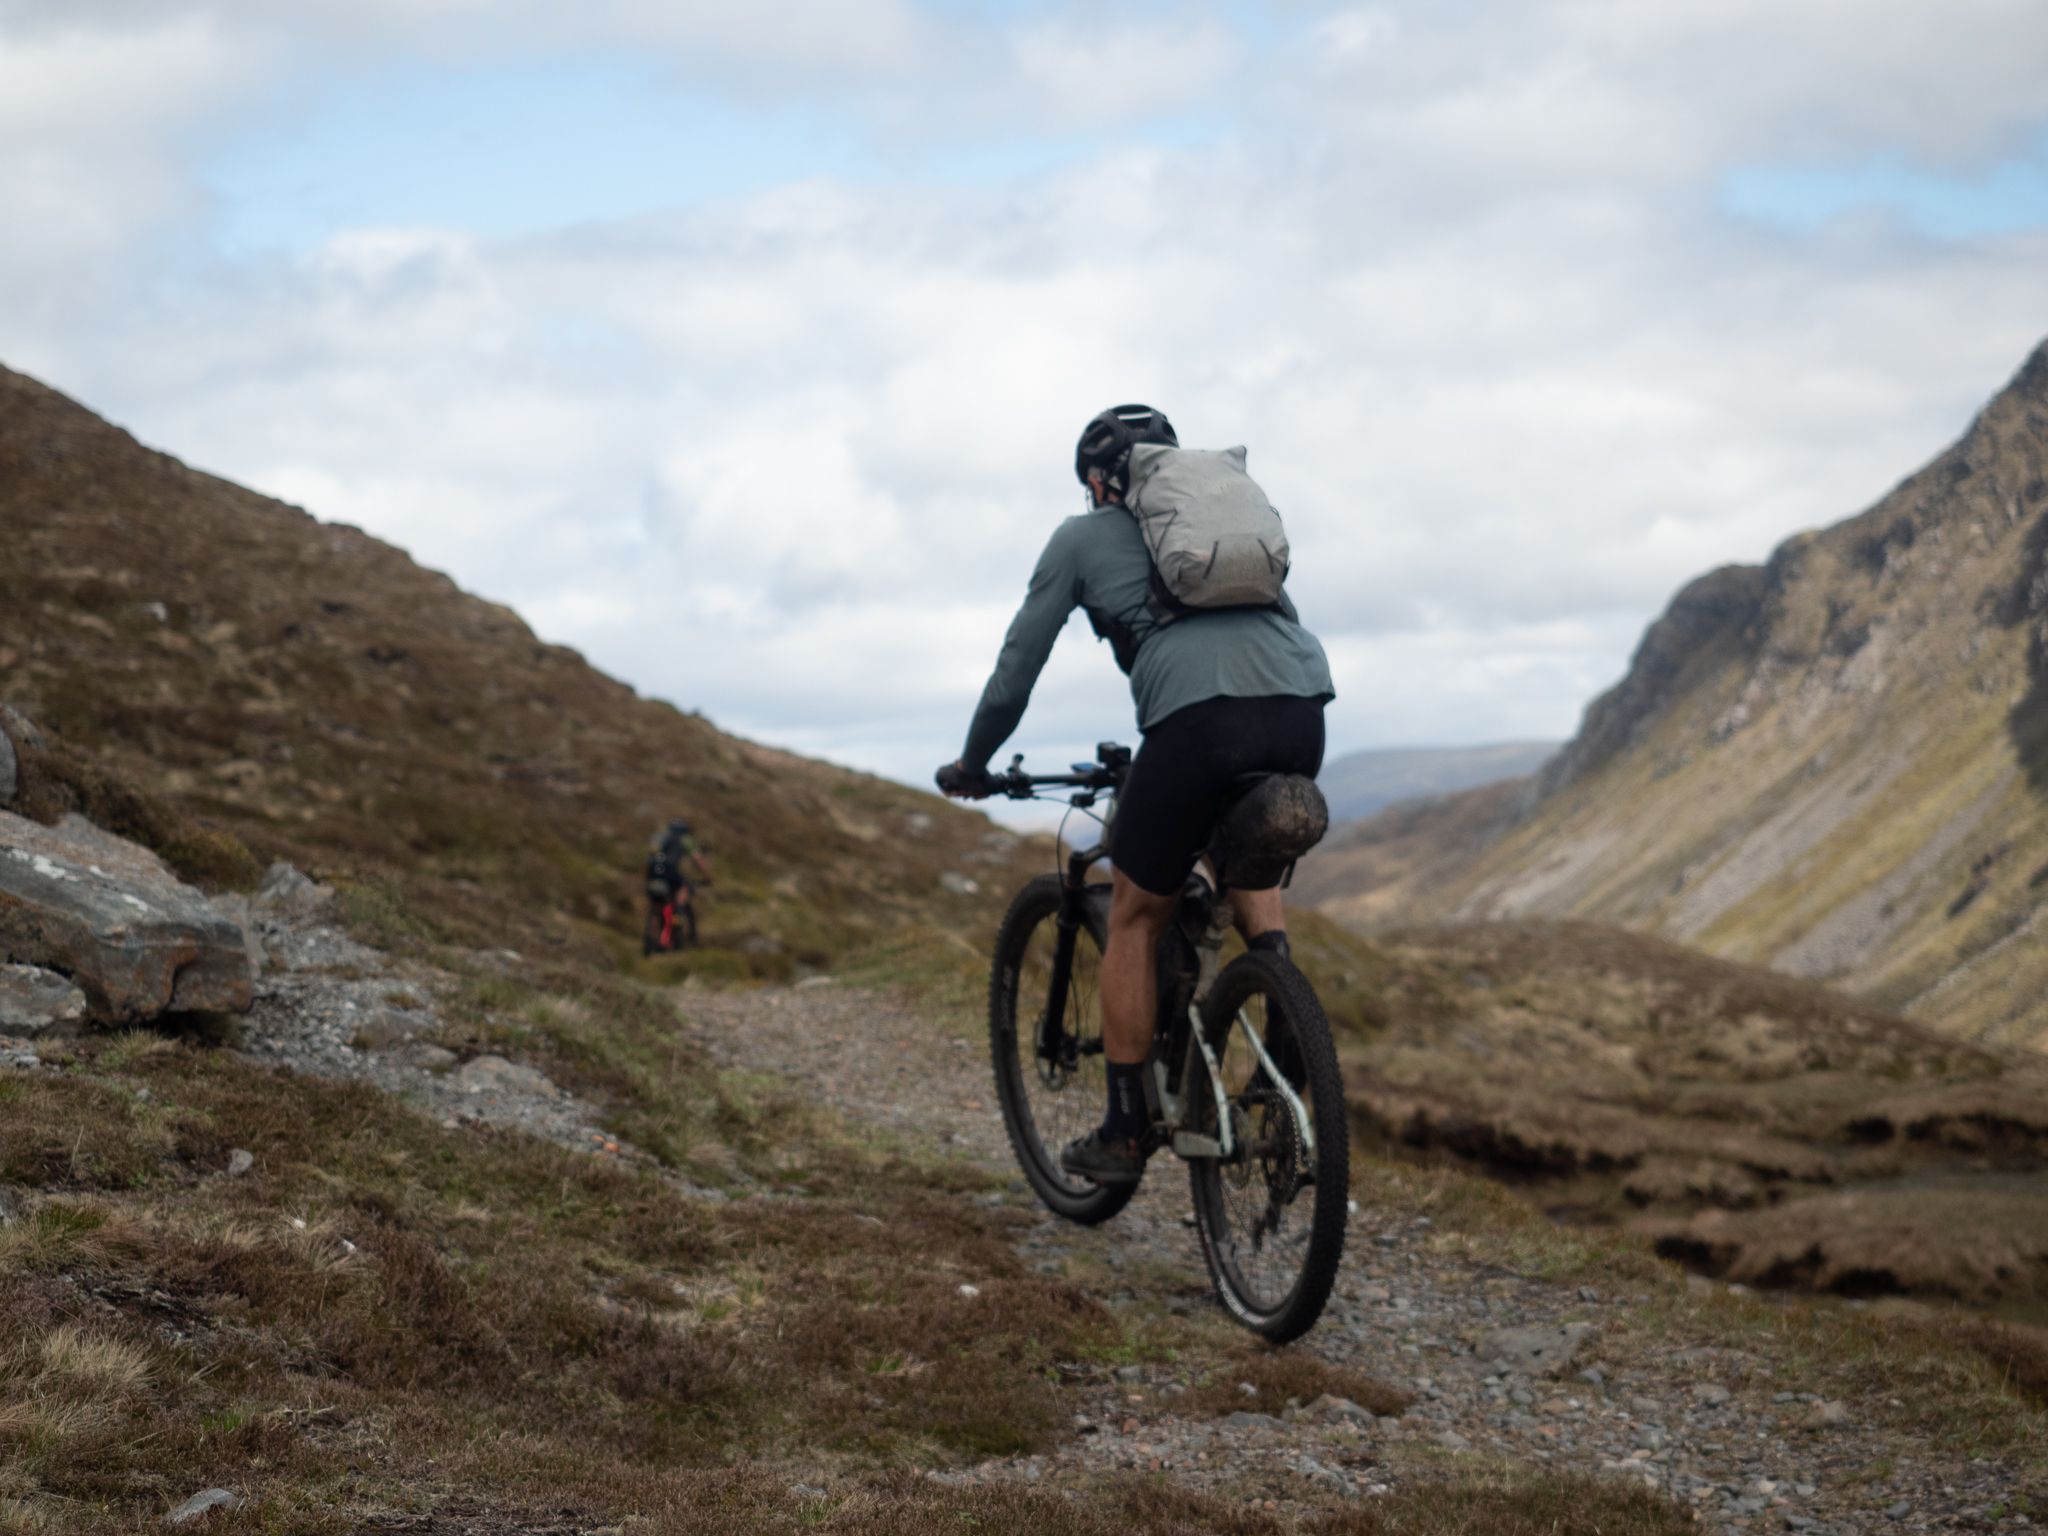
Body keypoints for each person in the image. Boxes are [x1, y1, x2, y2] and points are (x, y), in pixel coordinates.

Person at [936, 404, 1334, 1186]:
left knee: (1134, 912)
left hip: (1195, 728)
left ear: (1095, 482)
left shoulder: (1080, 539)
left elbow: (1017, 669)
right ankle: (1284, 1005)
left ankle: (1123, 1132)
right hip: (1301, 711)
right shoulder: (1215, 537)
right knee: (1244, 860)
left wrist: (974, 763)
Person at [643, 818, 711, 953]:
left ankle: (651, 940)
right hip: (672, 875)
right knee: (680, 899)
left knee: (656, 907)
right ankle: (679, 923)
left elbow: (650, 856)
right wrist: (707, 876)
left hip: (654, 876)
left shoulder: (662, 838)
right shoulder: (685, 840)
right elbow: (698, 859)